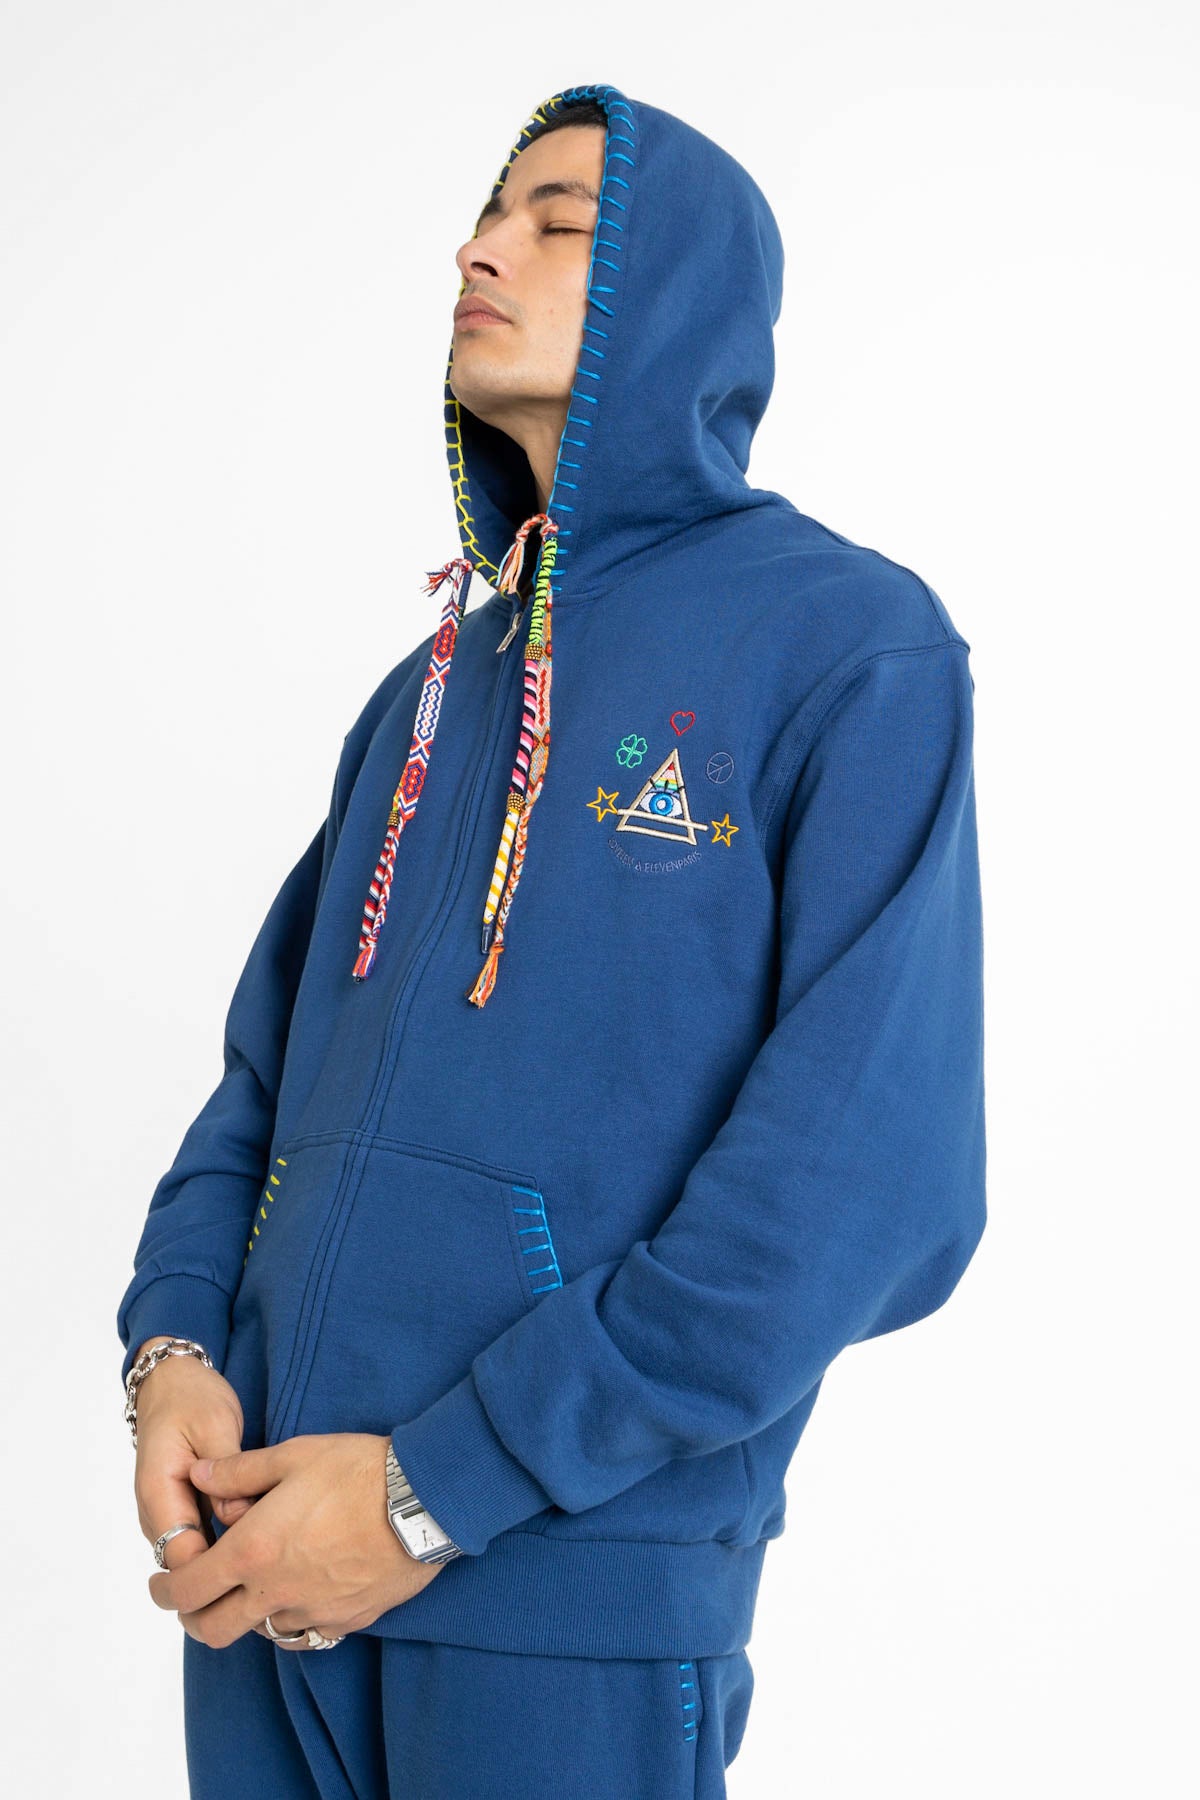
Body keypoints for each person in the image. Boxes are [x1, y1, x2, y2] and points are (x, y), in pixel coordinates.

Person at [117, 82, 987, 1799]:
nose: (481, 249)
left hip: (562, 1606)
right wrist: (173, 1354)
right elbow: (259, 1092)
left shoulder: (848, 646)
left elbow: (867, 1186)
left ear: (683, 288)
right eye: (485, 213)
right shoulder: (427, 691)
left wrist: (433, 1493)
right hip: (262, 1573)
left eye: (559, 219)